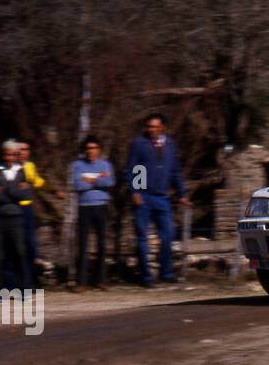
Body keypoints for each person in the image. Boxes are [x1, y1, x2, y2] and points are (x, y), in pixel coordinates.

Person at [124, 114, 190, 286]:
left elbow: (175, 170)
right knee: (142, 237)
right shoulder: (139, 144)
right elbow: (133, 168)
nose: (151, 130)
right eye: (148, 127)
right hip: (144, 196)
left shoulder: (169, 144)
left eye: (154, 127)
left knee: (168, 234)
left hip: (163, 197)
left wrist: (182, 194)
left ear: (162, 128)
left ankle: (166, 272)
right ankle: (146, 276)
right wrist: (136, 191)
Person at [0, 141, 34, 288]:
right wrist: (15, 190)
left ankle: (24, 287)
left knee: (20, 252)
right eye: (7, 154)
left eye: (13, 154)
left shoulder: (21, 171)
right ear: (3, 154)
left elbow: (26, 195)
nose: (10, 157)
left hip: (16, 217)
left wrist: (5, 189)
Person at [71, 135, 116, 289]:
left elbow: (110, 182)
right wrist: (99, 178)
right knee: (83, 244)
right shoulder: (77, 165)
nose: (91, 151)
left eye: (94, 148)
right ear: (84, 150)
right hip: (84, 206)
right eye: (88, 148)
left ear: (99, 150)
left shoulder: (106, 164)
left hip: (102, 206)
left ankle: (101, 280)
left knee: (102, 244)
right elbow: (78, 185)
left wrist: (90, 179)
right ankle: (81, 281)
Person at [17, 142, 45, 284]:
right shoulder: (13, 167)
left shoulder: (30, 166)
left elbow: (37, 181)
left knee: (31, 246)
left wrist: (52, 189)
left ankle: (30, 281)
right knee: (18, 246)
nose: (24, 152)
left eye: (26, 149)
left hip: (28, 209)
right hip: (15, 210)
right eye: (21, 149)